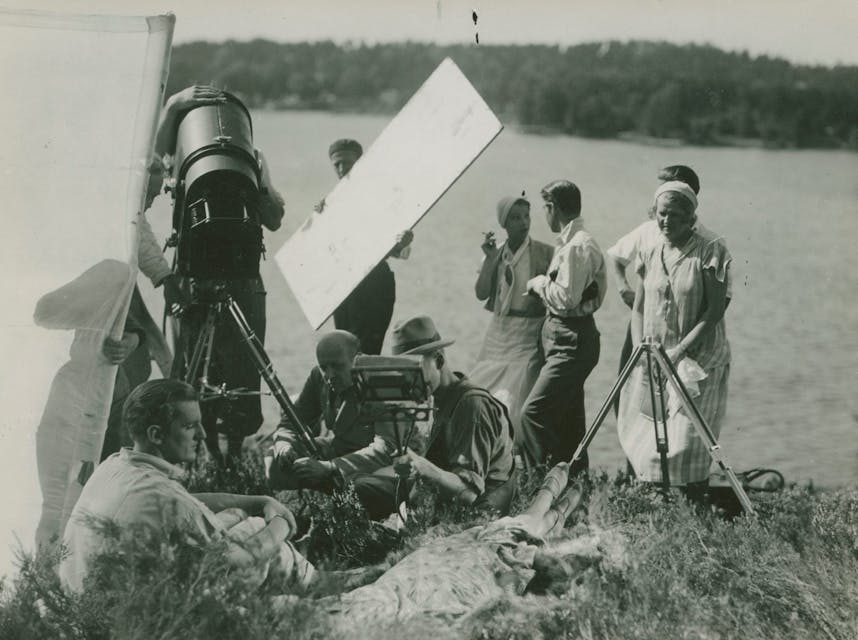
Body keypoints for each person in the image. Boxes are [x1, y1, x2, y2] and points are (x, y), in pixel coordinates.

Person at [139, 85, 286, 463]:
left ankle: (233, 453)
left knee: (243, 371)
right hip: (195, 276)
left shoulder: (251, 161)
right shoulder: (178, 158)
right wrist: (173, 108)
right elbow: (150, 158)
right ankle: (197, 454)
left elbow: (274, 219)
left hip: (237, 273)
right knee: (189, 371)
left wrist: (258, 187)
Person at [59, 379, 314, 593]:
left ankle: (303, 574)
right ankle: (315, 582)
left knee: (235, 515)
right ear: (156, 435)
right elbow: (240, 560)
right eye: (190, 426)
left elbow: (189, 500)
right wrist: (281, 522)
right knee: (254, 528)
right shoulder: (165, 498)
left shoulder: (116, 465)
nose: (202, 435)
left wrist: (259, 501)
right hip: (131, 616)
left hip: (85, 600)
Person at [319, 461, 626, 629]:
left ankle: (561, 489)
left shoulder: (323, 618)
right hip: (440, 592)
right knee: (512, 539)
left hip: (409, 583)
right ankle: (563, 492)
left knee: (507, 535)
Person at [332, 315, 516, 519]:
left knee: (364, 489)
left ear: (438, 359)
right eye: (403, 372)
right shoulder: (435, 397)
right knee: (360, 484)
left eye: (414, 370)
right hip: (440, 494)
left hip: (478, 510)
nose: (408, 382)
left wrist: (421, 466)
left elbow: (469, 493)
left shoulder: (471, 405)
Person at [616, 181, 732, 496]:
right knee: (647, 444)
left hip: (698, 362)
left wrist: (680, 350)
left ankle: (693, 510)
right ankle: (659, 508)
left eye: (676, 216)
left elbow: (715, 310)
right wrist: (641, 350)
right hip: (654, 360)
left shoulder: (712, 249)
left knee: (685, 446)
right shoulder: (651, 249)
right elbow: (638, 308)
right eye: (662, 214)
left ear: (691, 217)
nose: (667, 222)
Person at [606, 166, 732, 411]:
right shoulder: (648, 229)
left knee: (679, 420)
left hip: (687, 342)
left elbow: (721, 303)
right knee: (629, 403)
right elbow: (617, 257)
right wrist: (624, 288)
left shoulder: (711, 244)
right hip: (645, 332)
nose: (664, 218)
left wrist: (685, 340)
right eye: (660, 209)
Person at [521, 181, 606, 471]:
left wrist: (539, 283)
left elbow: (566, 299)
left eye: (545, 208)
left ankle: (539, 486)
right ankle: (574, 491)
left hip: (571, 339)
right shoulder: (572, 244)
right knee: (569, 423)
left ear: (552, 208)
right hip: (566, 337)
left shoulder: (577, 246)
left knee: (533, 414)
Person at [470, 195, 554, 468]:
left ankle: (520, 462)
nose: (523, 223)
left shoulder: (544, 252)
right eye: (515, 218)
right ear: (504, 223)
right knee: (485, 387)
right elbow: (481, 292)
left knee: (517, 399)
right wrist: (490, 259)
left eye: (526, 217)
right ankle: (490, 457)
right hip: (500, 329)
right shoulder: (497, 254)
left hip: (529, 330)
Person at [324, 138, 414, 355]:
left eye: (348, 163)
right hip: (343, 288)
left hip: (373, 284)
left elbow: (401, 250)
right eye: (337, 164)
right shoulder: (331, 202)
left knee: (364, 352)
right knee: (344, 352)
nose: (342, 168)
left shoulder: (379, 198)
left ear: (361, 162)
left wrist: (403, 241)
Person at [267, 330, 378, 490]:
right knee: (274, 460)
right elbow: (292, 421)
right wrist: (285, 447)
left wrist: (330, 467)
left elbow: (386, 449)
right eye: (324, 367)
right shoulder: (318, 377)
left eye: (337, 366)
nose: (329, 375)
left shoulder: (377, 381)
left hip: (369, 461)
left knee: (362, 486)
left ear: (357, 359)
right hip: (338, 450)